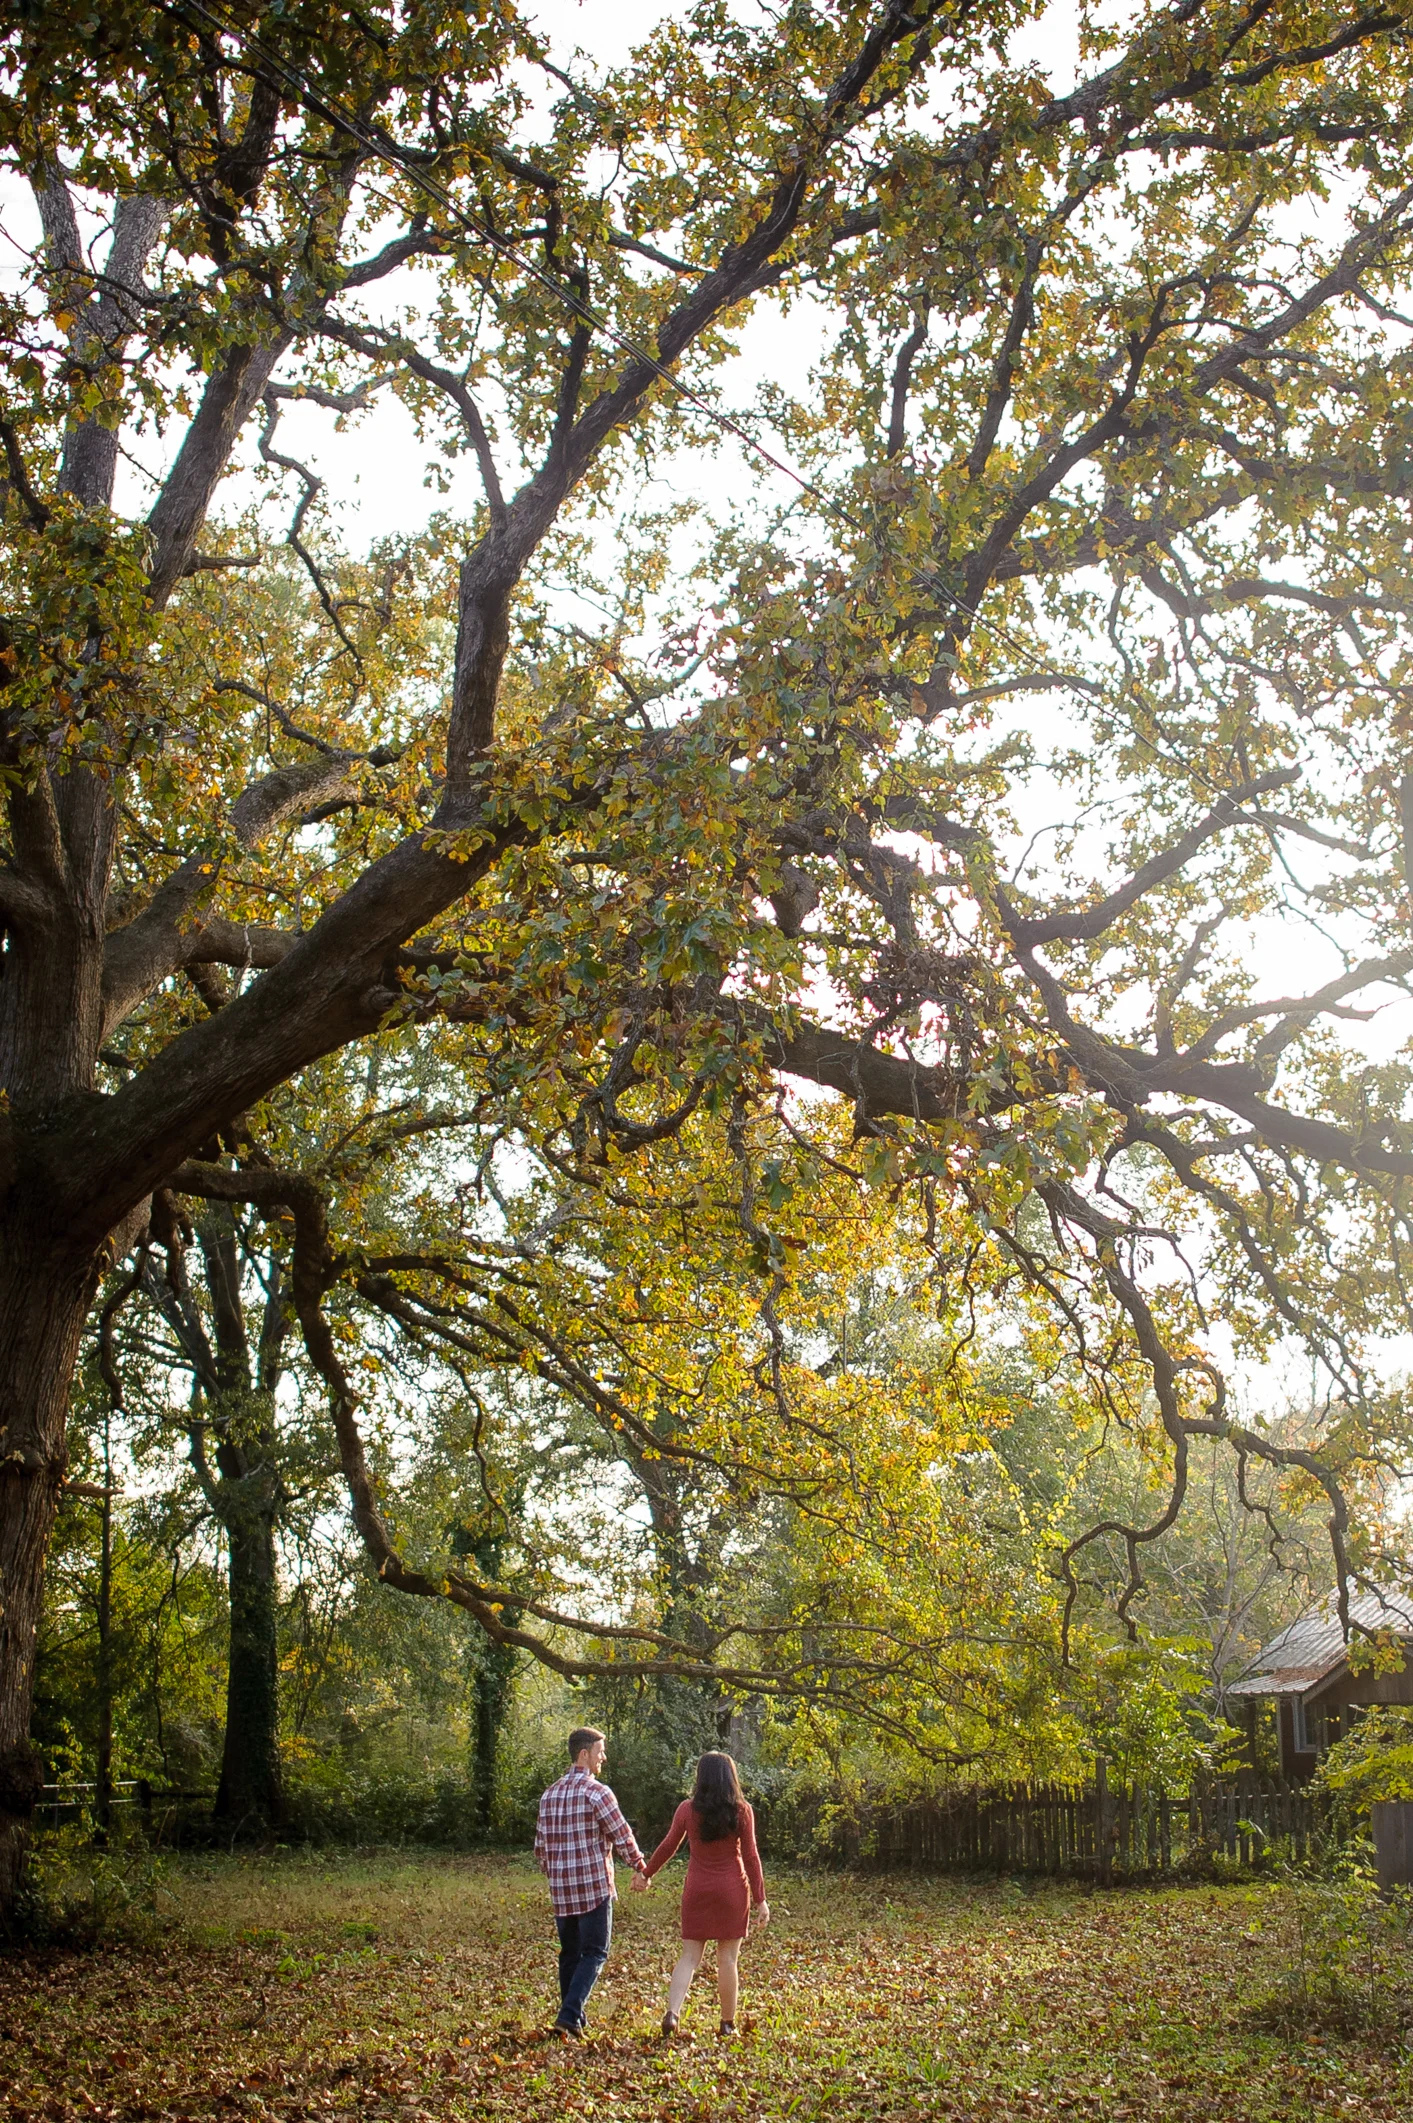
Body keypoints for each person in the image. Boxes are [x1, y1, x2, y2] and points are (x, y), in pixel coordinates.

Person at [637, 1749, 769, 2038]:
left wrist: (646, 1873)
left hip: (697, 1889)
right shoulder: (742, 1810)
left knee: (689, 1957)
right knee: (728, 1959)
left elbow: (669, 1845)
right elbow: (751, 1856)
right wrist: (760, 1898)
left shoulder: (687, 1809)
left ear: (701, 1778)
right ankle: (727, 2023)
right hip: (732, 1890)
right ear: (730, 1778)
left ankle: (672, 2013)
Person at [534, 1725, 648, 2038]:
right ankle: (569, 2016)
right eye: (600, 1752)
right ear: (584, 1754)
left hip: (562, 1889)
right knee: (595, 1952)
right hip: (594, 1886)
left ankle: (572, 2019)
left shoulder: (549, 1794)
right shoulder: (597, 1792)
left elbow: (540, 1848)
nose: (604, 1758)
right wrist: (639, 1865)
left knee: (569, 1953)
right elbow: (621, 1833)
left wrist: (555, 1873)